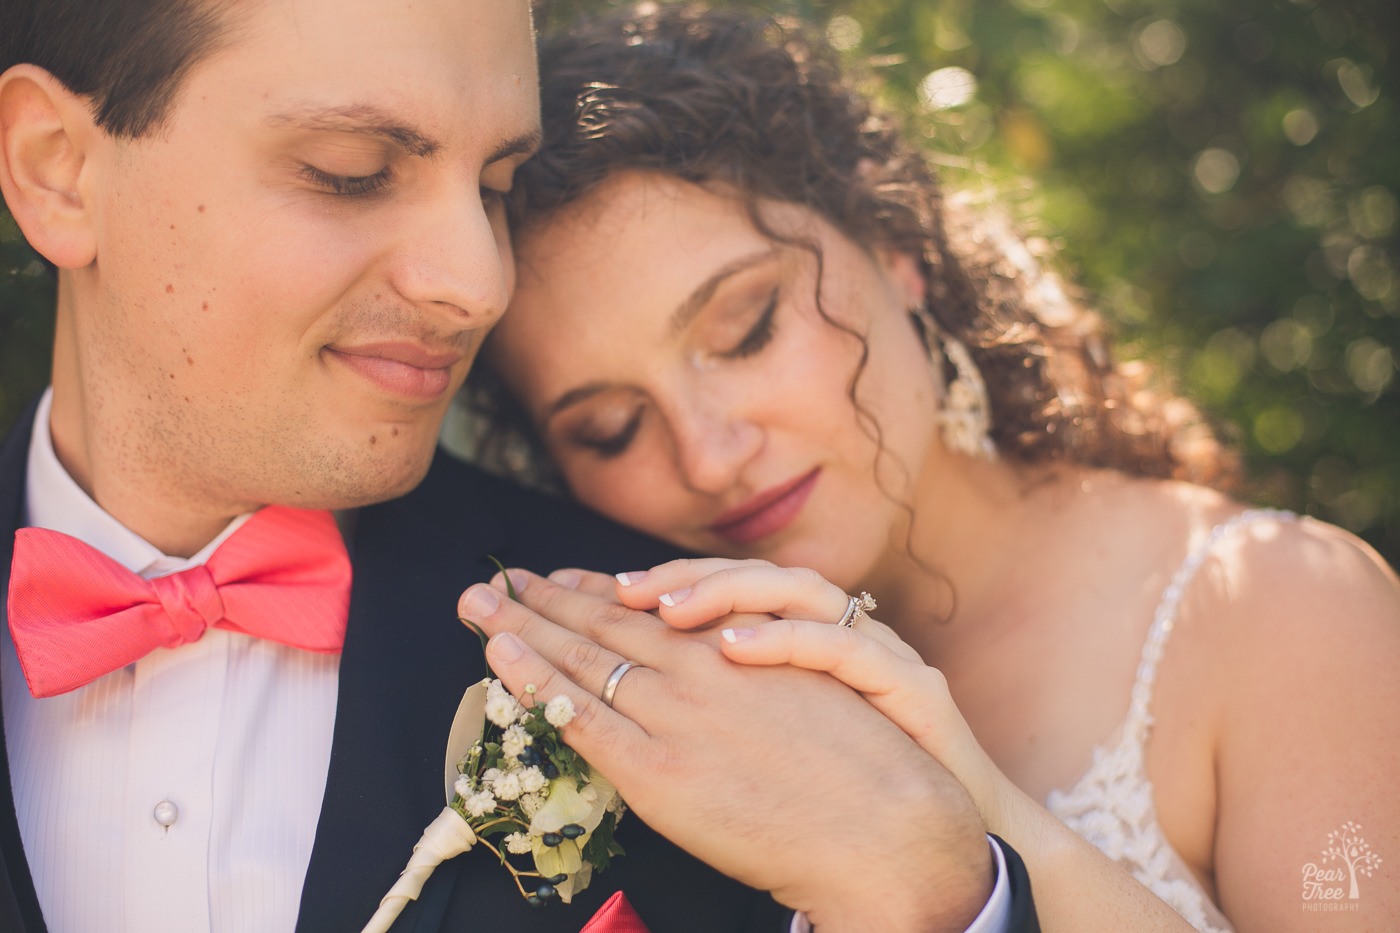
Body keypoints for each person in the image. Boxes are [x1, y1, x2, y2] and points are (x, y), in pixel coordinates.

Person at [0, 0, 1043, 931]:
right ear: (58, 170)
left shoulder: (696, 656)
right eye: (351, 173)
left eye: (496, 186)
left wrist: (929, 901)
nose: (478, 281)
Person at [461, 5, 1400, 932]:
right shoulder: (667, 728)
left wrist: (976, 822)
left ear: (894, 243)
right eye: (613, 430)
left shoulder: (1286, 612)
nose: (710, 458)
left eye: (746, 330)